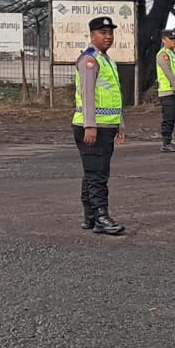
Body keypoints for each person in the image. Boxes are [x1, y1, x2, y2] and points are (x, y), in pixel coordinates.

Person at [74, 17, 127, 235]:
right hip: (92, 127)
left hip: (106, 126)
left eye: (110, 33)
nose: (108, 37)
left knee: (93, 172)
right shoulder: (90, 60)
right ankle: (101, 216)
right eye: (103, 32)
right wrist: (90, 126)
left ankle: (90, 216)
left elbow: (114, 95)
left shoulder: (107, 61)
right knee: (97, 175)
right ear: (92, 35)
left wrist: (119, 123)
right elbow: (87, 95)